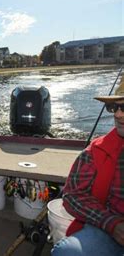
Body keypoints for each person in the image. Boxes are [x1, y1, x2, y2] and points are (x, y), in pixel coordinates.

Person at [52, 83, 124, 256]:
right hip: (109, 230)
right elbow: (73, 195)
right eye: (113, 107)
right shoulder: (95, 151)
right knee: (66, 252)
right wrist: (111, 223)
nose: (118, 114)